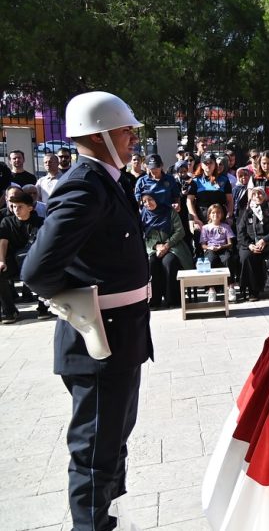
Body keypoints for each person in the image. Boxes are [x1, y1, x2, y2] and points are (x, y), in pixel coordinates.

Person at [20, 91, 152, 529]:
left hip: (122, 337)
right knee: (94, 450)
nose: (132, 136)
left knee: (113, 442)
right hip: (100, 340)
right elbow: (38, 270)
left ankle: (109, 516)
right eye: (124, 130)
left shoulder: (107, 180)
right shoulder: (83, 184)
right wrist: (77, 302)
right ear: (98, 137)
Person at [1, 189, 49, 323]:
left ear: (30, 208)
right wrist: (1, 261)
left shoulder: (40, 222)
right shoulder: (6, 222)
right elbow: (2, 243)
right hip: (14, 263)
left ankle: (42, 309)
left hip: (35, 262)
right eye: (14, 207)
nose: (16, 209)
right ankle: (9, 311)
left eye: (20, 206)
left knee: (45, 270)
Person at [139, 191, 193, 309]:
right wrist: (156, 246)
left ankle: (172, 299)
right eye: (144, 202)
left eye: (150, 200)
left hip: (174, 246)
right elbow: (142, 236)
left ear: (157, 199)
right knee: (151, 262)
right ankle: (155, 300)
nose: (148, 203)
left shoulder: (169, 211)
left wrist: (167, 245)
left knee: (169, 262)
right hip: (153, 248)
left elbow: (180, 231)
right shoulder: (143, 215)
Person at [237, 187, 269, 301]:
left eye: (260, 194)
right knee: (246, 257)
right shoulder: (246, 212)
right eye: (254, 195)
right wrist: (250, 245)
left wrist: (265, 240)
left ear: (264, 195)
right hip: (252, 244)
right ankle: (253, 291)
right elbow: (241, 232)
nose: (257, 196)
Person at [199, 203, 239, 297]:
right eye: (213, 213)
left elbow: (230, 243)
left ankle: (231, 286)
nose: (215, 215)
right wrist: (209, 247)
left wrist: (222, 247)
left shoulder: (225, 227)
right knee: (210, 261)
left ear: (222, 214)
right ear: (209, 215)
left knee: (228, 259)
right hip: (210, 249)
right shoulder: (205, 228)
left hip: (223, 248)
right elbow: (203, 245)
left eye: (218, 213)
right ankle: (211, 288)